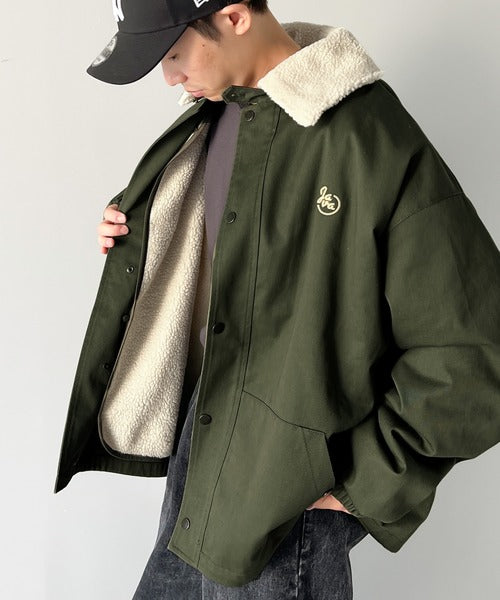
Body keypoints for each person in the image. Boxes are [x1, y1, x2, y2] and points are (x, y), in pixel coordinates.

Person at [54, 1, 500, 598]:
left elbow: (475, 346)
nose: (168, 77)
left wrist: (367, 483)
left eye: (174, 53)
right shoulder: (218, 116)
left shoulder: (366, 136)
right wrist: (143, 228)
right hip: (204, 446)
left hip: (288, 492)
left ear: (235, 16)